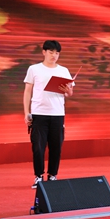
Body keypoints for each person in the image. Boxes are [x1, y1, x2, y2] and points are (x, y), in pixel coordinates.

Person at [23, 40, 75, 189]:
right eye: (51, 52)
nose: (54, 55)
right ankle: (38, 177)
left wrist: (68, 90)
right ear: (44, 52)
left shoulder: (63, 70)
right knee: (38, 147)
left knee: (56, 146)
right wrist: (27, 112)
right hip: (39, 113)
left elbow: (69, 93)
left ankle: (53, 176)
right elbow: (27, 92)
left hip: (57, 113)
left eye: (57, 53)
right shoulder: (34, 69)